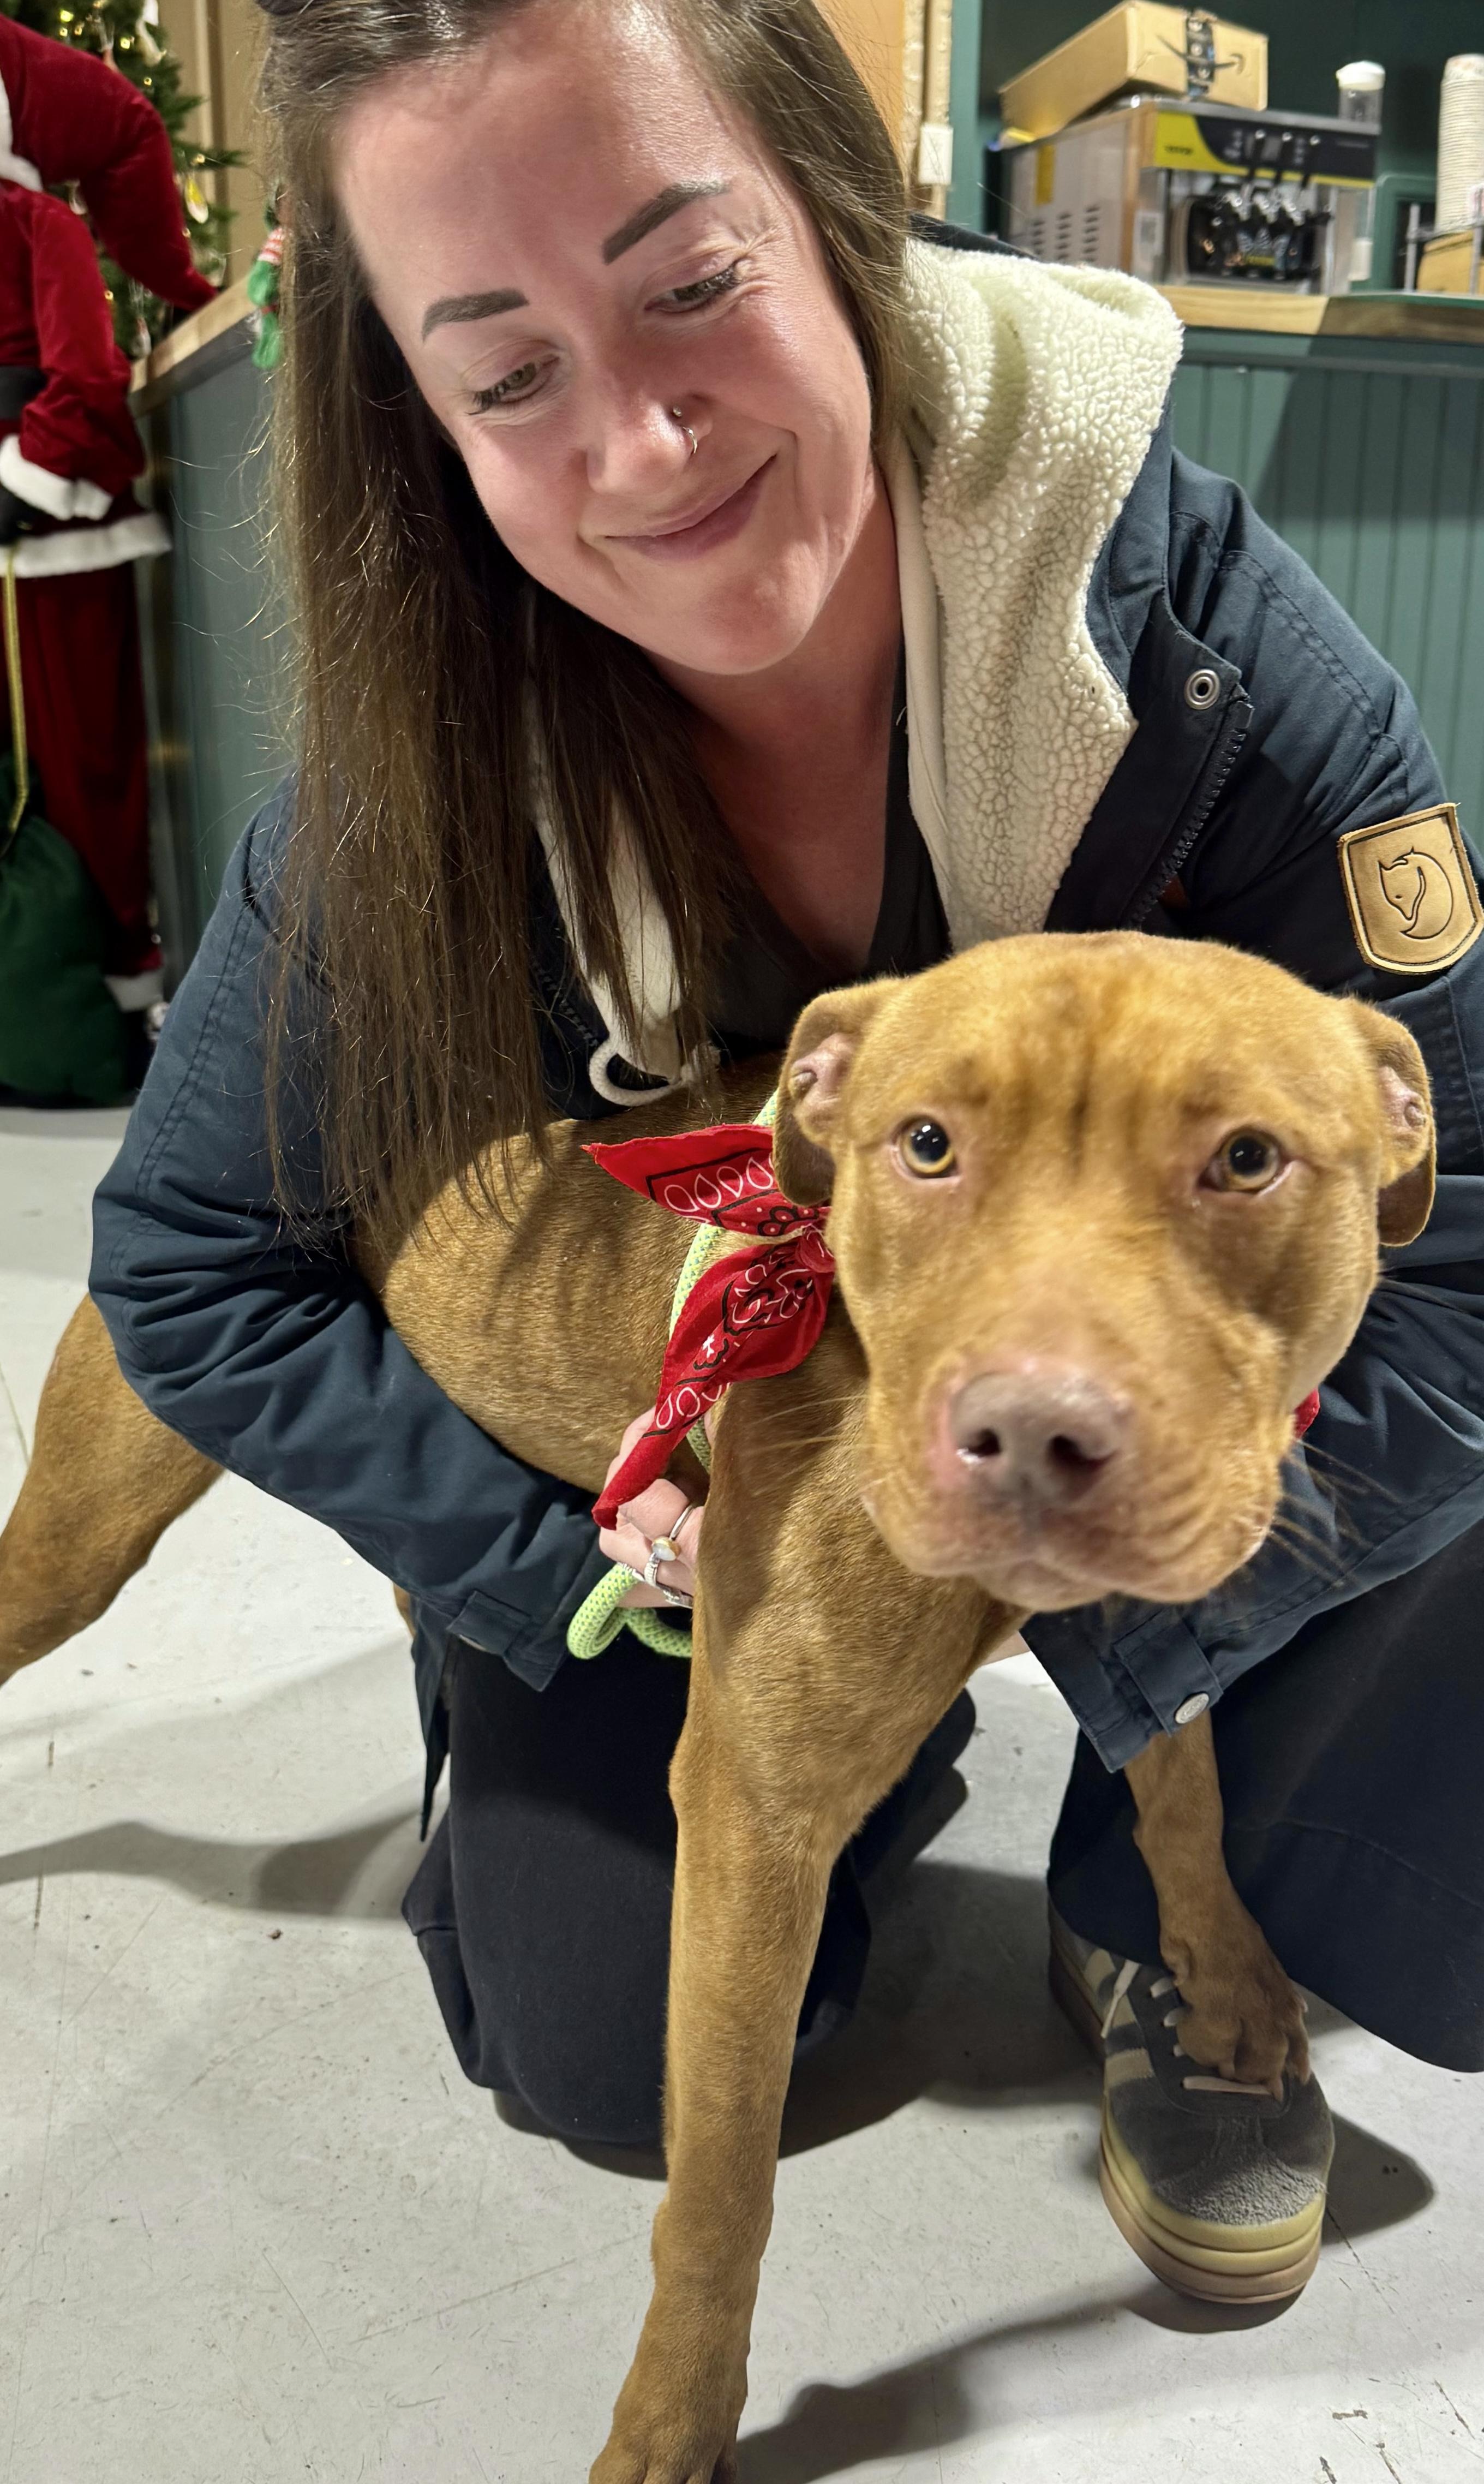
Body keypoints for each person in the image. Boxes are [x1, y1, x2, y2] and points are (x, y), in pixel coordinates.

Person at [83, 0, 1484, 2296]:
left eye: (687, 280)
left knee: (1421, 1909)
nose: (633, 436)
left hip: (1093, 1446)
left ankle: (1147, 1905)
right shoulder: (392, 791)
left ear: (845, 236)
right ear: (422, 425)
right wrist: (554, 1567)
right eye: (502, 368)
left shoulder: (1212, 649)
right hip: (644, 1463)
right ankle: (815, 1719)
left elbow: (1475, 1214)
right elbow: (189, 1263)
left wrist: (1134, 1607)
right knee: (607, 2057)